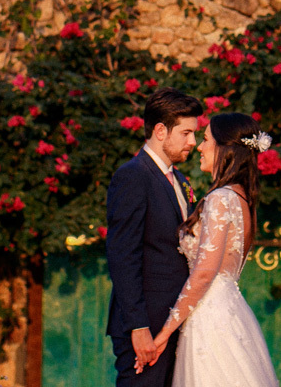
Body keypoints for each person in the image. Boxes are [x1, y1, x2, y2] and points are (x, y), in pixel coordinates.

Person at [148, 112, 279, 387]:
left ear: (224, 147)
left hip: (210, 319)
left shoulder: (221, 199)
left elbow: (205, 273)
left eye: (206, 139)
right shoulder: (243, 199)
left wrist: (163, 335)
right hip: (229, 310)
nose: (199, 146)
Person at [106, 87, 204, 387]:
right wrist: (139, 326)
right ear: (160, 131)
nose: (193, 142)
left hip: (175, 323)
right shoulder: (133, 176)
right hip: (146, 326)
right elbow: (123, 255)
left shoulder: (181, 180)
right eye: (186, 132)